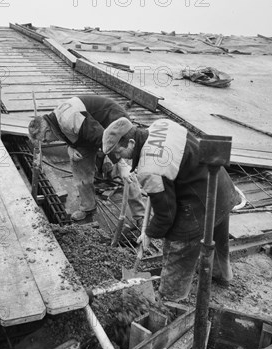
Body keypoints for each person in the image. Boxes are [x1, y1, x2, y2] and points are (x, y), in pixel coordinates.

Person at [102, 117, 238, 301]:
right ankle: (222, 274)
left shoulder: (150, 170)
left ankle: (171, 297)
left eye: (119, 152)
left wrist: (149, 233)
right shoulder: (161, 124)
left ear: (132, 142)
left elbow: (165, 216)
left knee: (177, 247)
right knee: (218, 233)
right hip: (219, 186)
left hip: (198, 202)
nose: (120, 158)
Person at [28, 95, 145, 222]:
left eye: (45, 140)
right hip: (91, 130)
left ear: (47, 130)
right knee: (78, 164)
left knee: (127, 173)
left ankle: (140, 216)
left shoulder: (69, 119)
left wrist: (119, 162)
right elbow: (70, 133)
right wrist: (70, 148)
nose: (48, 143)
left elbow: (101, 137)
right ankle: (88, 207)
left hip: (113, 123)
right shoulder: (54, 121)